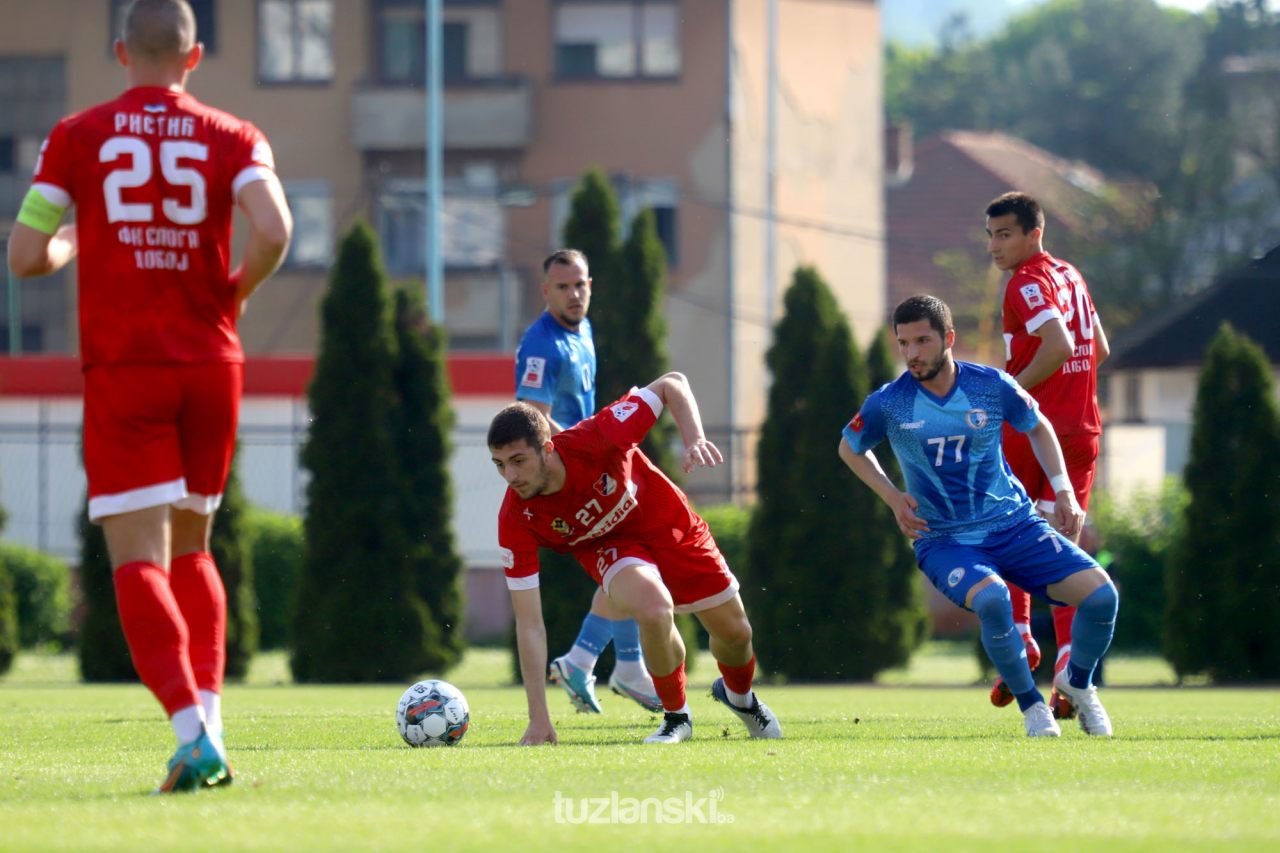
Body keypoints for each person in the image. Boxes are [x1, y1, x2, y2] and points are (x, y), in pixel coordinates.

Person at [7, 0, 292, 791]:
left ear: (119, 52)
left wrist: (70, 241)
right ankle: (214, 726)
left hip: (127, 366)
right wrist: (234, 295)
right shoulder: (234, 134)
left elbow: (25, 255)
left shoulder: (76, 136)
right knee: (196, 546)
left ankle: (190, 733)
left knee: (138, 560)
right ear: (194, 58)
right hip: (211, 362)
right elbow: (275, 230)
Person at [838, 295, 1117, 737]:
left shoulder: (991, 385)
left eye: (923, 341)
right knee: (992, 599)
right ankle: (1033, 709)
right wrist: (893, 497)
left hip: (1015, 526)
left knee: (1103, 597)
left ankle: (1077, 684)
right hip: (944, 539)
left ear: (948, 338)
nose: (912, 353)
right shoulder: (889, 403)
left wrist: (1063, 488)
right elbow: (849, 448)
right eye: (904, 343)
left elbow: (1038, 425)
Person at [490, 372, 782, 744]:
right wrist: (538, 719)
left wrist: (695, 440)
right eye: (500, 464)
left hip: (670, 525)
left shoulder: (599, 435)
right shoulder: (515, 518)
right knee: (654, 608)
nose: (510, 476)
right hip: (612, 550)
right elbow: (529, 624)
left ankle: (740, 698)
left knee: (737, 635)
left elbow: (671, 384)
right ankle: (676, 717)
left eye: (518, 460)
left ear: (547, 448)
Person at [514, 249, 660, 715]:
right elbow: (533, 419)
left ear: (590, 285)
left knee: (629, 555)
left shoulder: (584, 330)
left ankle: (589, 662)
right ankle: (618, 665)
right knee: (632, 554)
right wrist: (585, 450)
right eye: (562, 287)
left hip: (590, 468)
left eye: (580, 285)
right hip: (566, 477)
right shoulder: (542, 344)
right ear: (545, 292)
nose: (573, 294)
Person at [985, 191, 1112, 718]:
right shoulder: (1071, 275)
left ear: (1034, 233)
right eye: (990, 235)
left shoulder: (1026, 281)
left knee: (1009, 532)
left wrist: (1009, 392)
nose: (995, 246)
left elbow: (1057, 346)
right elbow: (1097, 349)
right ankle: (1069, 673)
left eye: (1005, 234)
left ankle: (1020, 641)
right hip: (1083, 428)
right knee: (1064, 544)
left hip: (1035, 429)